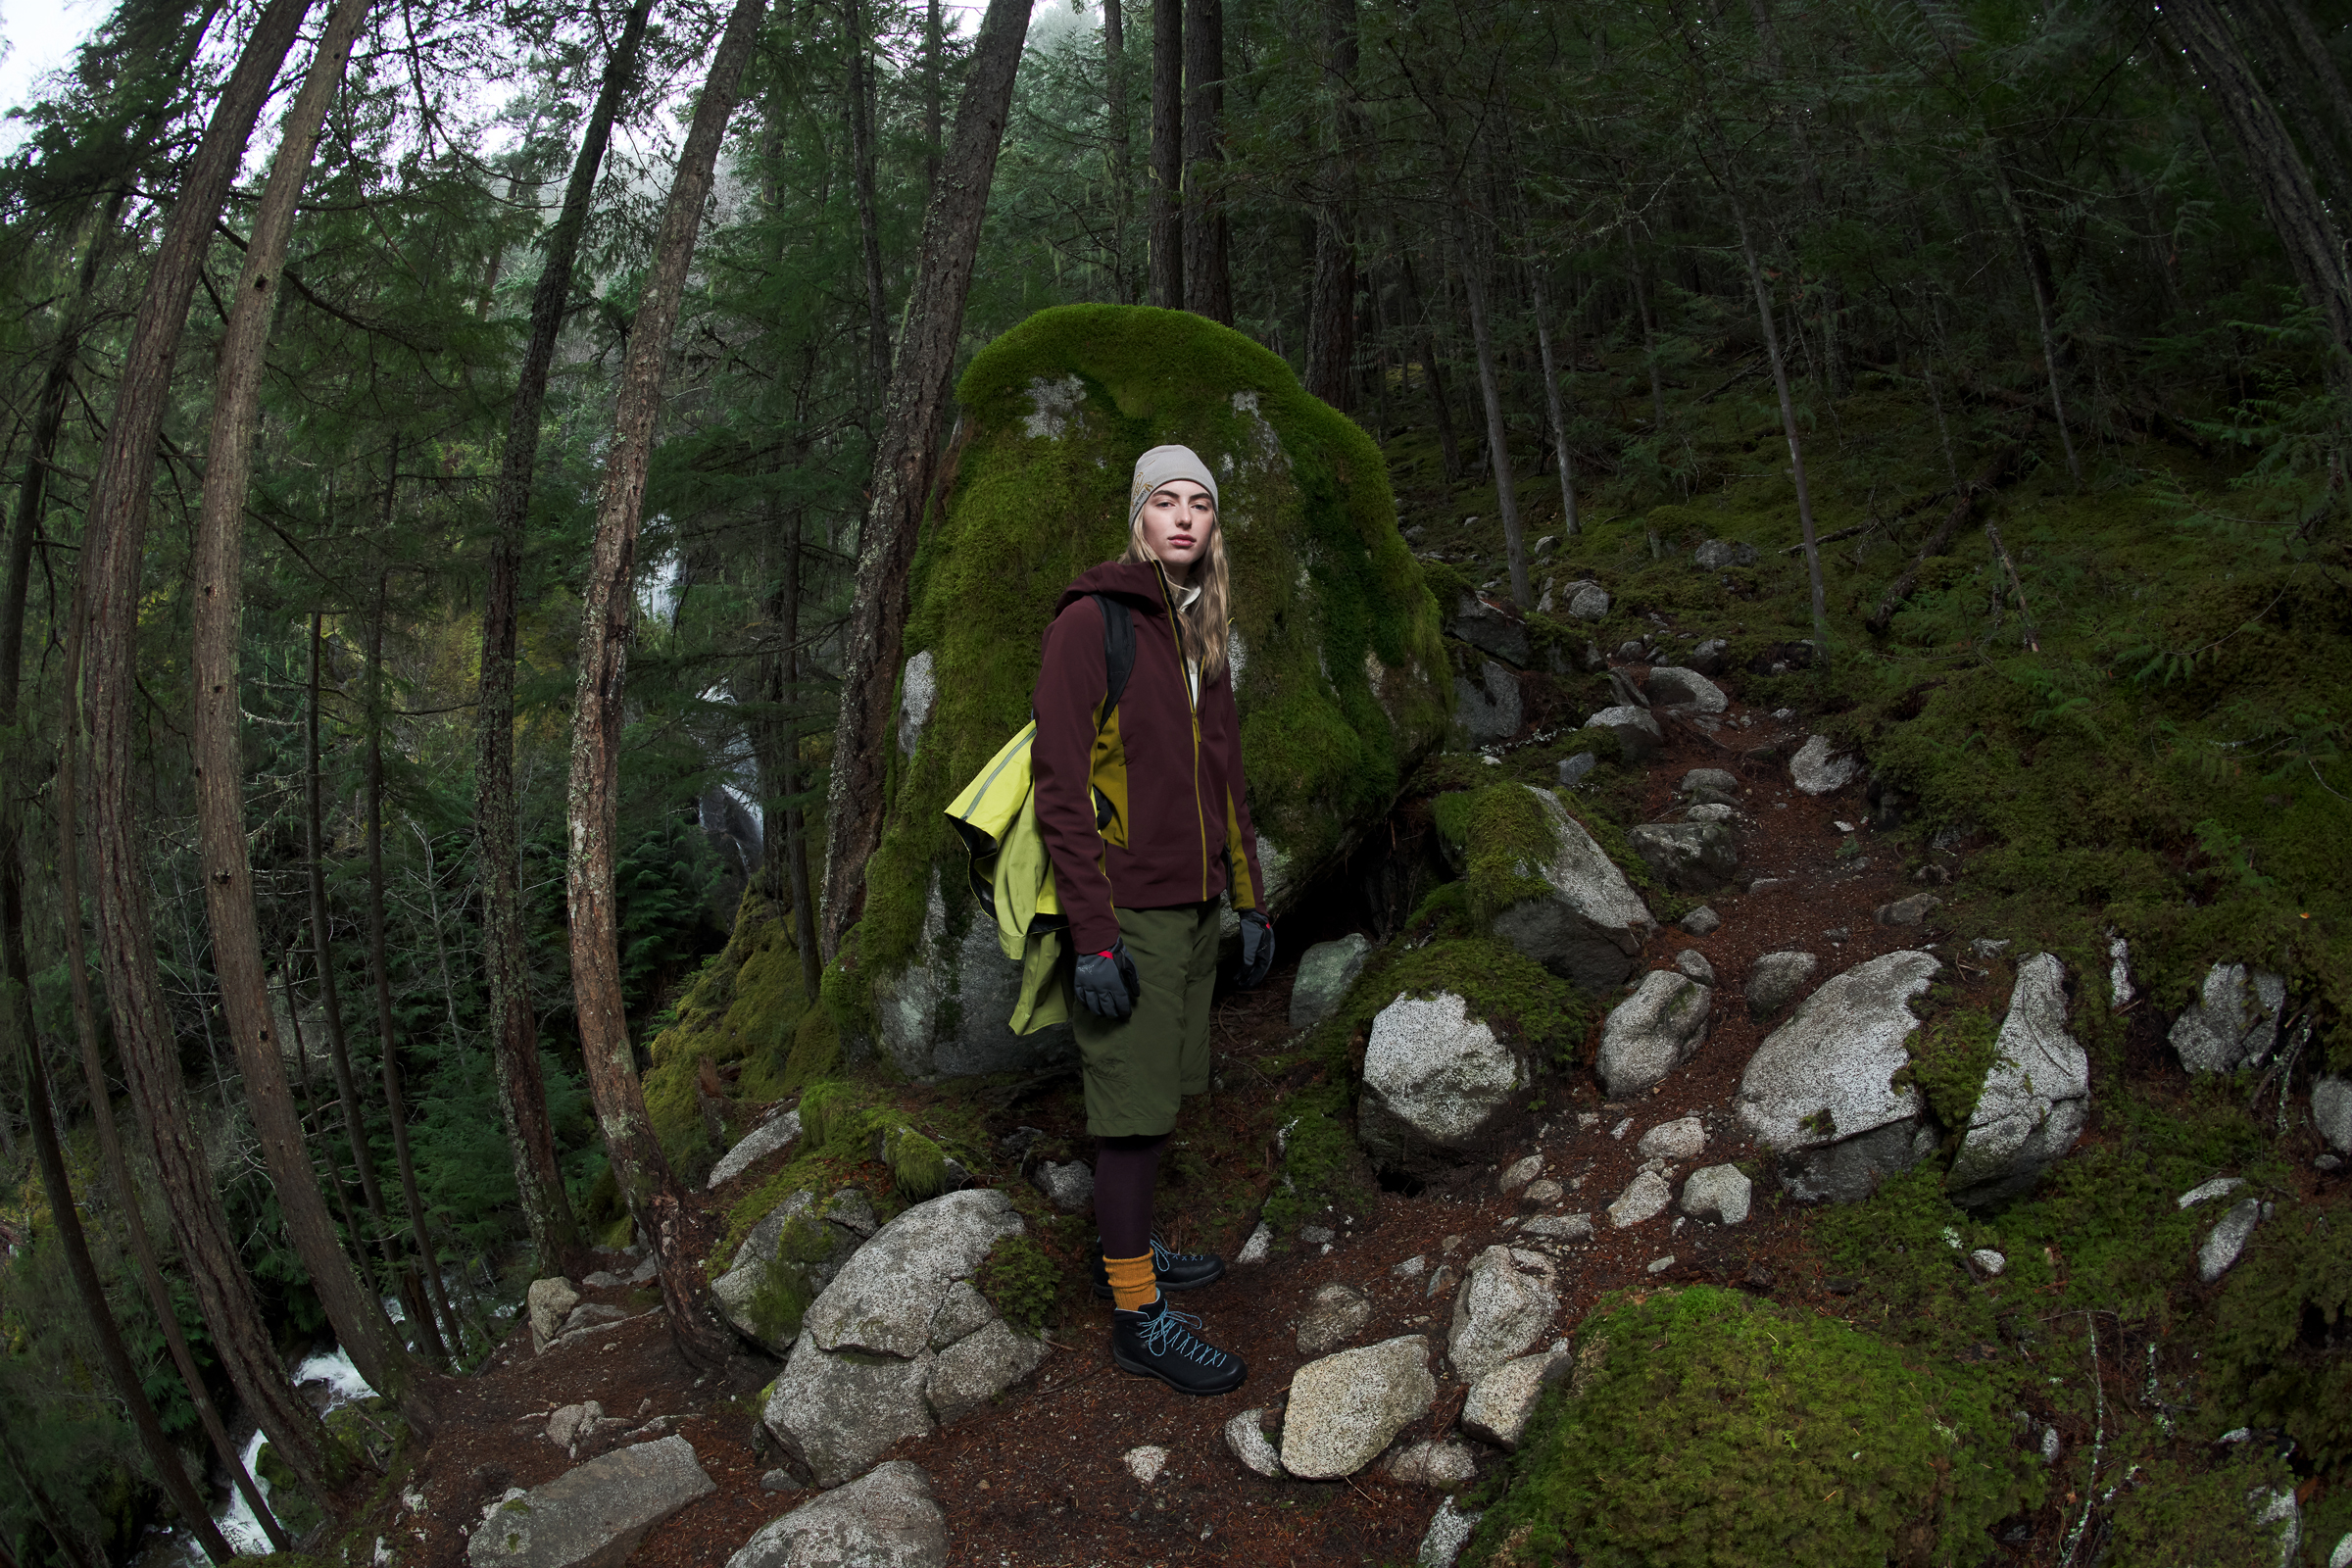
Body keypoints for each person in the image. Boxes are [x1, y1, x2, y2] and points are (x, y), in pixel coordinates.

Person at [1030, 443, 1276, 1396]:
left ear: (1213, 525)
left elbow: (1227, 780)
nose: (1183, 517)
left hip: (1196, 908)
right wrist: (1093, 936)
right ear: (1139, 517)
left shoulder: (1200, 632)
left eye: (1198, 504)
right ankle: (1138, 1318)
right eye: (1164, 501)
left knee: (1159, 1099)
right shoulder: (1090, 623)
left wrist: (1251, 902)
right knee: (1129, 1122)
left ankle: (1128, 1250)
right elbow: (1060, 789)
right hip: (1126, 912)